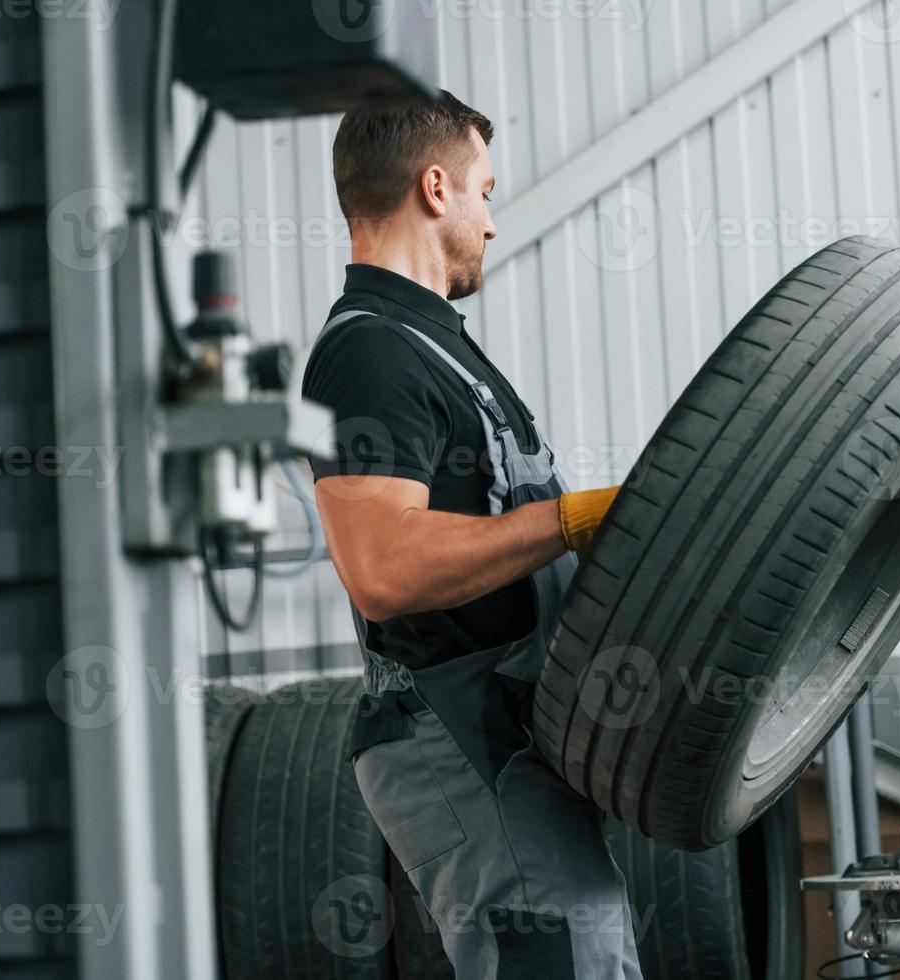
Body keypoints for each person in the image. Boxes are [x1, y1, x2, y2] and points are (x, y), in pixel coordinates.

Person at [302, 89, 642, 980]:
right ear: (437, 186)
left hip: (508, 739)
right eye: (487, 191)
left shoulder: (434, 344)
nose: (492, 223)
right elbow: (382, 567)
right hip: (454, 742)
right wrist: (568, 520)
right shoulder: (370, 352)